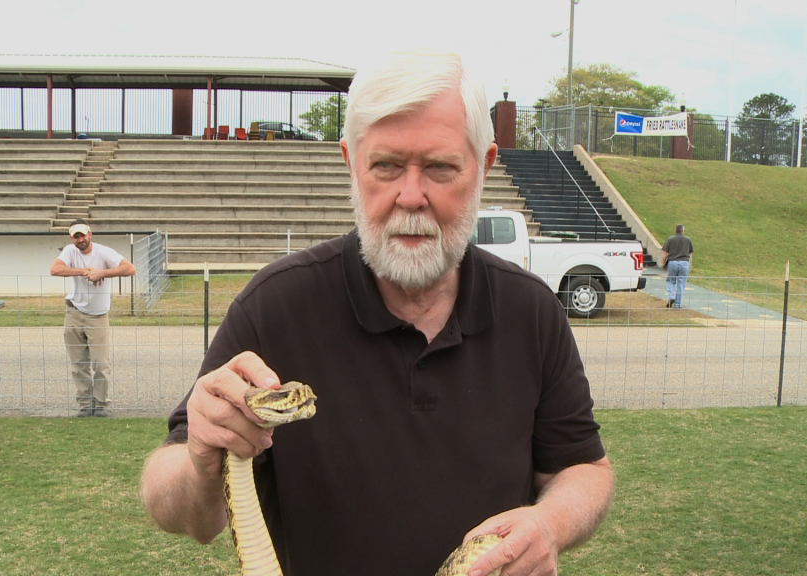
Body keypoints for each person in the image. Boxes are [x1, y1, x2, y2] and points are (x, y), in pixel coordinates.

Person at [140, 51, 613, 576]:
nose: (411, 197)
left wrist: (550, 523)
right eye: (386, 165)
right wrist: (201, 459)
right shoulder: (274, 307)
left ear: (485, 166)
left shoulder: (532, 312)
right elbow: (173, 504)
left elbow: (583, 468)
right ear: (350, 162)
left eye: (440, 167)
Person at [50, 220, 135, 417]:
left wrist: (102, 273)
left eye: (83, 235)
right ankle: (85, 404)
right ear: (72, 238)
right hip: (74, 312)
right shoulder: (70, 252)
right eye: (76, 236)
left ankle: (101, 405)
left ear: (90, 234)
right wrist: (85, 272)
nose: (81, 239)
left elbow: (129, 268)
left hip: (98, 316)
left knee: (100, 364)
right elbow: (55, 269)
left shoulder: (103, 252)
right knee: (78, 364)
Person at [661, 224, 694, 309]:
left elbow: (665, 253)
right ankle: (677, 305)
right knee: (681, 283)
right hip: (684, 263)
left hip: (672, 262)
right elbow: (690, 252)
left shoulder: (670, 239)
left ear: (676, 231)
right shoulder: (688, 240)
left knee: (671, 281)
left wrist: (664, 263)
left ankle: (671, 296)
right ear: (683, 231)